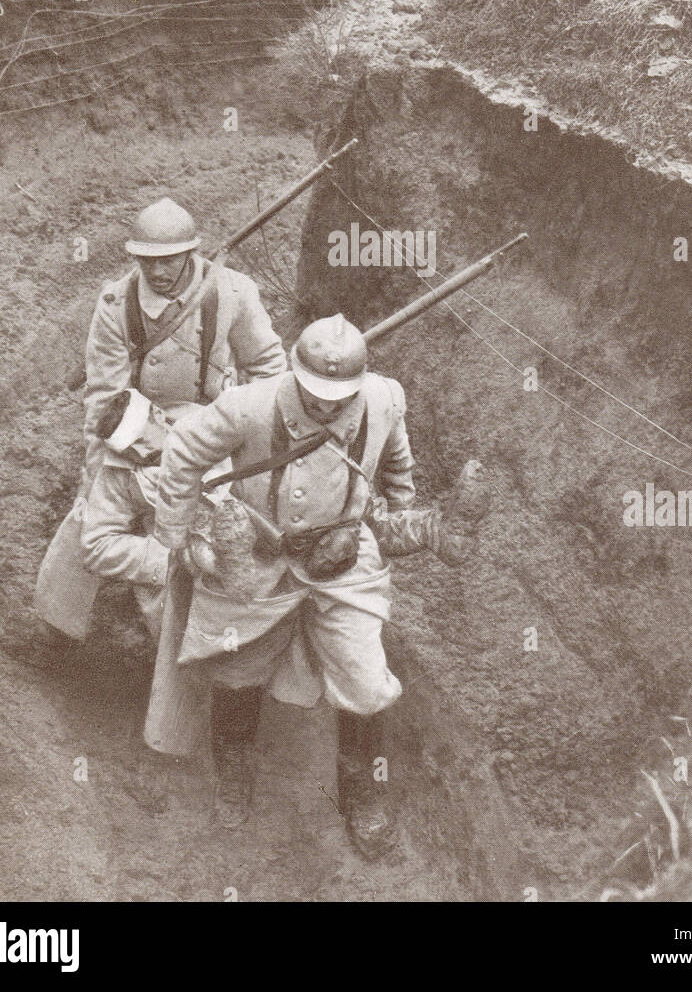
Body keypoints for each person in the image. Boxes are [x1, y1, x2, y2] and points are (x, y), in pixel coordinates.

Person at [148, 313, 481, 858]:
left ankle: (362, 796)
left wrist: (398, 507)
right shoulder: (249, 407)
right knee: (237, 669)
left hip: (344, 557)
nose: (327, 406)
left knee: (366, 681)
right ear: (295, 375)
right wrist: (181, 534)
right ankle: (234, 773)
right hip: (258, 556)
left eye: (339, 397)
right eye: (314, 394)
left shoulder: (384, 400)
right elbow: (183, 452)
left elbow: (396, 460)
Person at [33, 196, 285, 643]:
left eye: (169, 260)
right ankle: (75, 633)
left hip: (212, 427)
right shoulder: (115, 304)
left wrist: (251, 436)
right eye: (147, 261)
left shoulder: (230, 292)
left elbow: (267, 368)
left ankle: (211, 641)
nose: (158, 271)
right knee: (96, 530)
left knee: (232, 531)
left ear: (192, 253)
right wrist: (90, 477)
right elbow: (103, 397)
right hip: (137, 428)